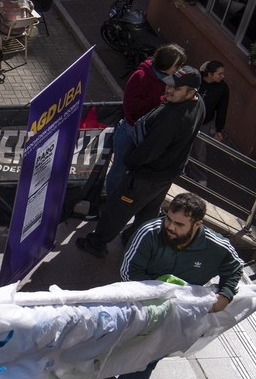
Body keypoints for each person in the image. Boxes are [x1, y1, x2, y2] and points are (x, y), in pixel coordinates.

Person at [100, 192, 243, 379]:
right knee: (118, 345)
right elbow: (128, 271)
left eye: (179, 224)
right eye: (168, 219)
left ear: (197, 224)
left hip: (172, 319)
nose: (169, 226)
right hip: (138, 306)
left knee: (146, 358)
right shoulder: (149, 232)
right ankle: (109, 369)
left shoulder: (217, 246)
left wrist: (225, 296)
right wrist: (164, 292)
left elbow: (235, 269)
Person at [76, 66, 205, 258]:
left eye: (176, 89)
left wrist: (130, 161)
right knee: (148, 211)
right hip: (165, 174)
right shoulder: (198, 103)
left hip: (145, 175)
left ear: (191, 92)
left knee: (117, 210)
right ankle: (133, 238)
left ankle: (96, 244)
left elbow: (149, 150)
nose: (168, 90)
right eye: (169, 85)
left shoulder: (172, 118)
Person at [103, 44, 187, 196]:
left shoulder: (170, 79)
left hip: (149, 133)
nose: (180, 68)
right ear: (166, 65)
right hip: (130, 131)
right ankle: (110, 201)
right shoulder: (140, 76)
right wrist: (162, 99)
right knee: (119, 170)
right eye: (178, 65)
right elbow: (130, 107)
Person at [189, 60, 229, 185]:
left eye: (223, 73)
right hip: (187, 118)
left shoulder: (223, 88)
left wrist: (219, 129)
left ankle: (199, 175)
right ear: (210, 74)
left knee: (199, 150)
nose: (222, 76)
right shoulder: (197, 79)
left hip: (204, 123)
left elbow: (222, 109)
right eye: (220, 74)